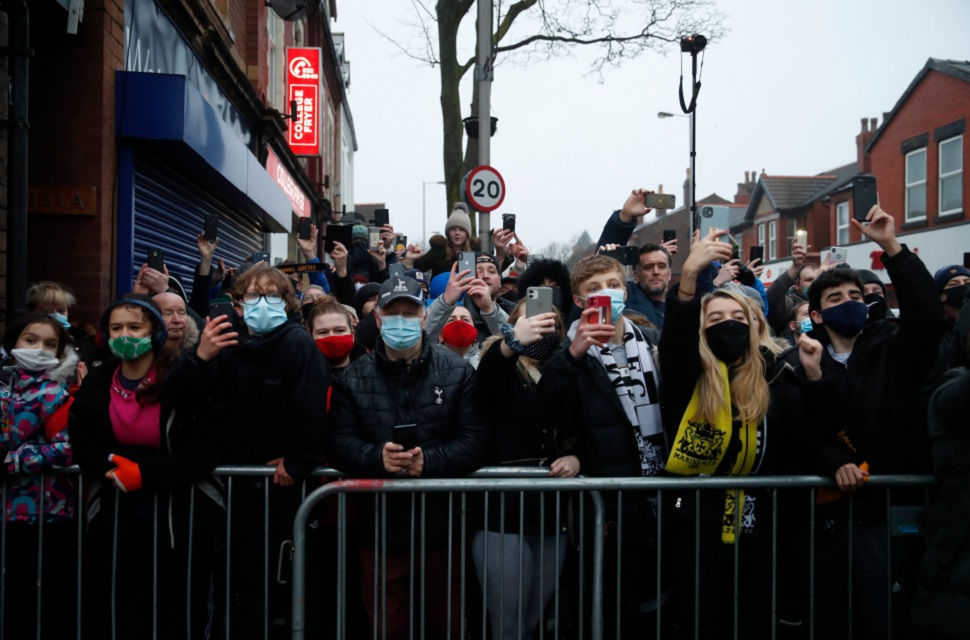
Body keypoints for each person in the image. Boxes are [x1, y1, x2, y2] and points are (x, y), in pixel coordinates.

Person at [796, 205, 944, 639]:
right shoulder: (802, 360)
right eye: (836, 299)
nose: (849, 304)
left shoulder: (892, 350)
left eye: (856, 297)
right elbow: (802, 428)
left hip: (888, 514)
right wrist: (832, 460)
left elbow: (927, 318)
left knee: (888, 617)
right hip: (829, 519)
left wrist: (892, 248)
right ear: (817, 316)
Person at [325, 275, 489, 640]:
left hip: (442, 530)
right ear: (379, 319)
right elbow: (338, 442)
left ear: (424, 316)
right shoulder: (353, 377)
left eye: (409, 312)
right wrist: (375, 457)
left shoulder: (458, 371)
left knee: (447, 625)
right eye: (392, 313)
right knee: (387, 626)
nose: (401, 320)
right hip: (382, 531)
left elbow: (476, 441)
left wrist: (428, 461)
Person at [659, 229, 805, 639]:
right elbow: (675, 344)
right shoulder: (687, 374)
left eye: (738, 318)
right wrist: (688, 277)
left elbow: (803, 438)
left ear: (756, 324)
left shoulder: (779, 372)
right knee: (705, 616)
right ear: (701, 329)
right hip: (696, 520)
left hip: (761, 519)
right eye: (716, 319)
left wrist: (816, 379)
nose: (728, 325)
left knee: (757, 614)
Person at [175, 265, 329, 638]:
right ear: (238, 305)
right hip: (227, 482)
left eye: (272, 296)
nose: (263, 303)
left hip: (279, 486)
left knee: (278, 575)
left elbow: (312, 408)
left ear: (287, 302)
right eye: (253, 296)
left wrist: (297, 459)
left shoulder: (297, 344)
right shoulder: (223, 342)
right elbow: (179, 398)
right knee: (235, 577)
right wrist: (201, 357)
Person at [69, 295, 223, 638]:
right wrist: (106, 466)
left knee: (178, 611)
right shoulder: (98, 381)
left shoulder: (180, 378)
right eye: (116, 328)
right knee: (121, 609)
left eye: (134, 327)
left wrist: (145, 473)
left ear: (154, 331)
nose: (125, 334)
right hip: (116, 514)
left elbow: (202, 452)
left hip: (179, 519)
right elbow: (82, 439)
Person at [536, 254, 666, 636]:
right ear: (579, 301)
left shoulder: (653, 342)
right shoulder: (568, 352)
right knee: (607, 603)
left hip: (659, 492)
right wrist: (573, 355)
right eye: (594, 289)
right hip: (606, 504)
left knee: (656, 600)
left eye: (612, 285)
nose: (605, 294)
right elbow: (547, 413)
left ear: (625, 291)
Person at [472, 300, 572, 640]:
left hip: (550, 515)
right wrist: (510, 345)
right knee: (507, 624)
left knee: (532, 622)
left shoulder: (562, 368)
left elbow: (577, 424)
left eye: (550, 321)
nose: (542, 326)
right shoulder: (499, 364)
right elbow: (487, 385)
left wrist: (576, 456)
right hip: (504, 514)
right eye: (530, 319)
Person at [0, 312, 77, 639]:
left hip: (46, 512)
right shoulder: (3, 390)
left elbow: (68, 447)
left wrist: (14, 461)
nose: (38, 348)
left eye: (50, 344)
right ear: (13, 342)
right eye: (30, 340)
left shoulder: (54, 394)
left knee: (40, 597)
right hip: (6, 511)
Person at [425, 254, 512, 343]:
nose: (485, 276)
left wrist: (489, 309)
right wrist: (446, 301)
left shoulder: (515, 310)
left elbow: (516, 343)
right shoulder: (456, 313)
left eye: (491, 271)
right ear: (466, 278)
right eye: (479, 271)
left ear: (500, 281)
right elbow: (423, 339)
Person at [26, 280, 98, 371]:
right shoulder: (25, 342)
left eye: (61, 311)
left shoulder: (83, 339)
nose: (56, 315)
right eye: (47, 311)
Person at [404, 203, 474, 277]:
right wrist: (410, 260)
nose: (457, 233)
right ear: (448, 232)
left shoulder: (475, 254)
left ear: (467, 233)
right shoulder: (438, 251)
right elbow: (416, 272)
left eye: (462, 230)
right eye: (453, 229)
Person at [307, 298, 367, 373]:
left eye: (340, 330)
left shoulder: (373, 368)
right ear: (311, 337)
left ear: (352, 335)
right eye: (323, 332)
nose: (332, 337)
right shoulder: (301, 376)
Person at [152, 290, 199, 355]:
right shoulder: (142, 352)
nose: (177, 320)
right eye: (168, 314)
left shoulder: (199, 351)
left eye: (181, 313)